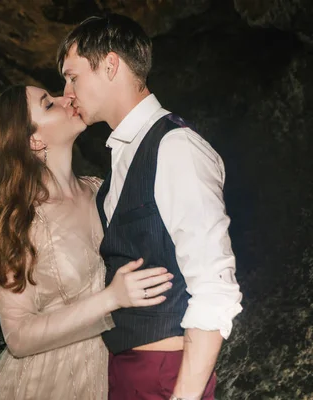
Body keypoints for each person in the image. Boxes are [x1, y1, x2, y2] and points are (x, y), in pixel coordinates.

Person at [57, 13, 243, 400]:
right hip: (129, 373)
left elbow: (215, 286)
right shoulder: (122, 157)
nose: (67, 91)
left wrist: (183, 394)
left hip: (164, 376)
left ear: (110, 65)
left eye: (73, 76)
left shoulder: (176, 148)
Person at [0, 85, 174, 400]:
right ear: (34, 140)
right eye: (49, 104)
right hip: (53, 380)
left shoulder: (102, 190)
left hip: (120, 362)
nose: (67, 98)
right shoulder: (19, 222)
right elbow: (17, 336)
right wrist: (111, 298)